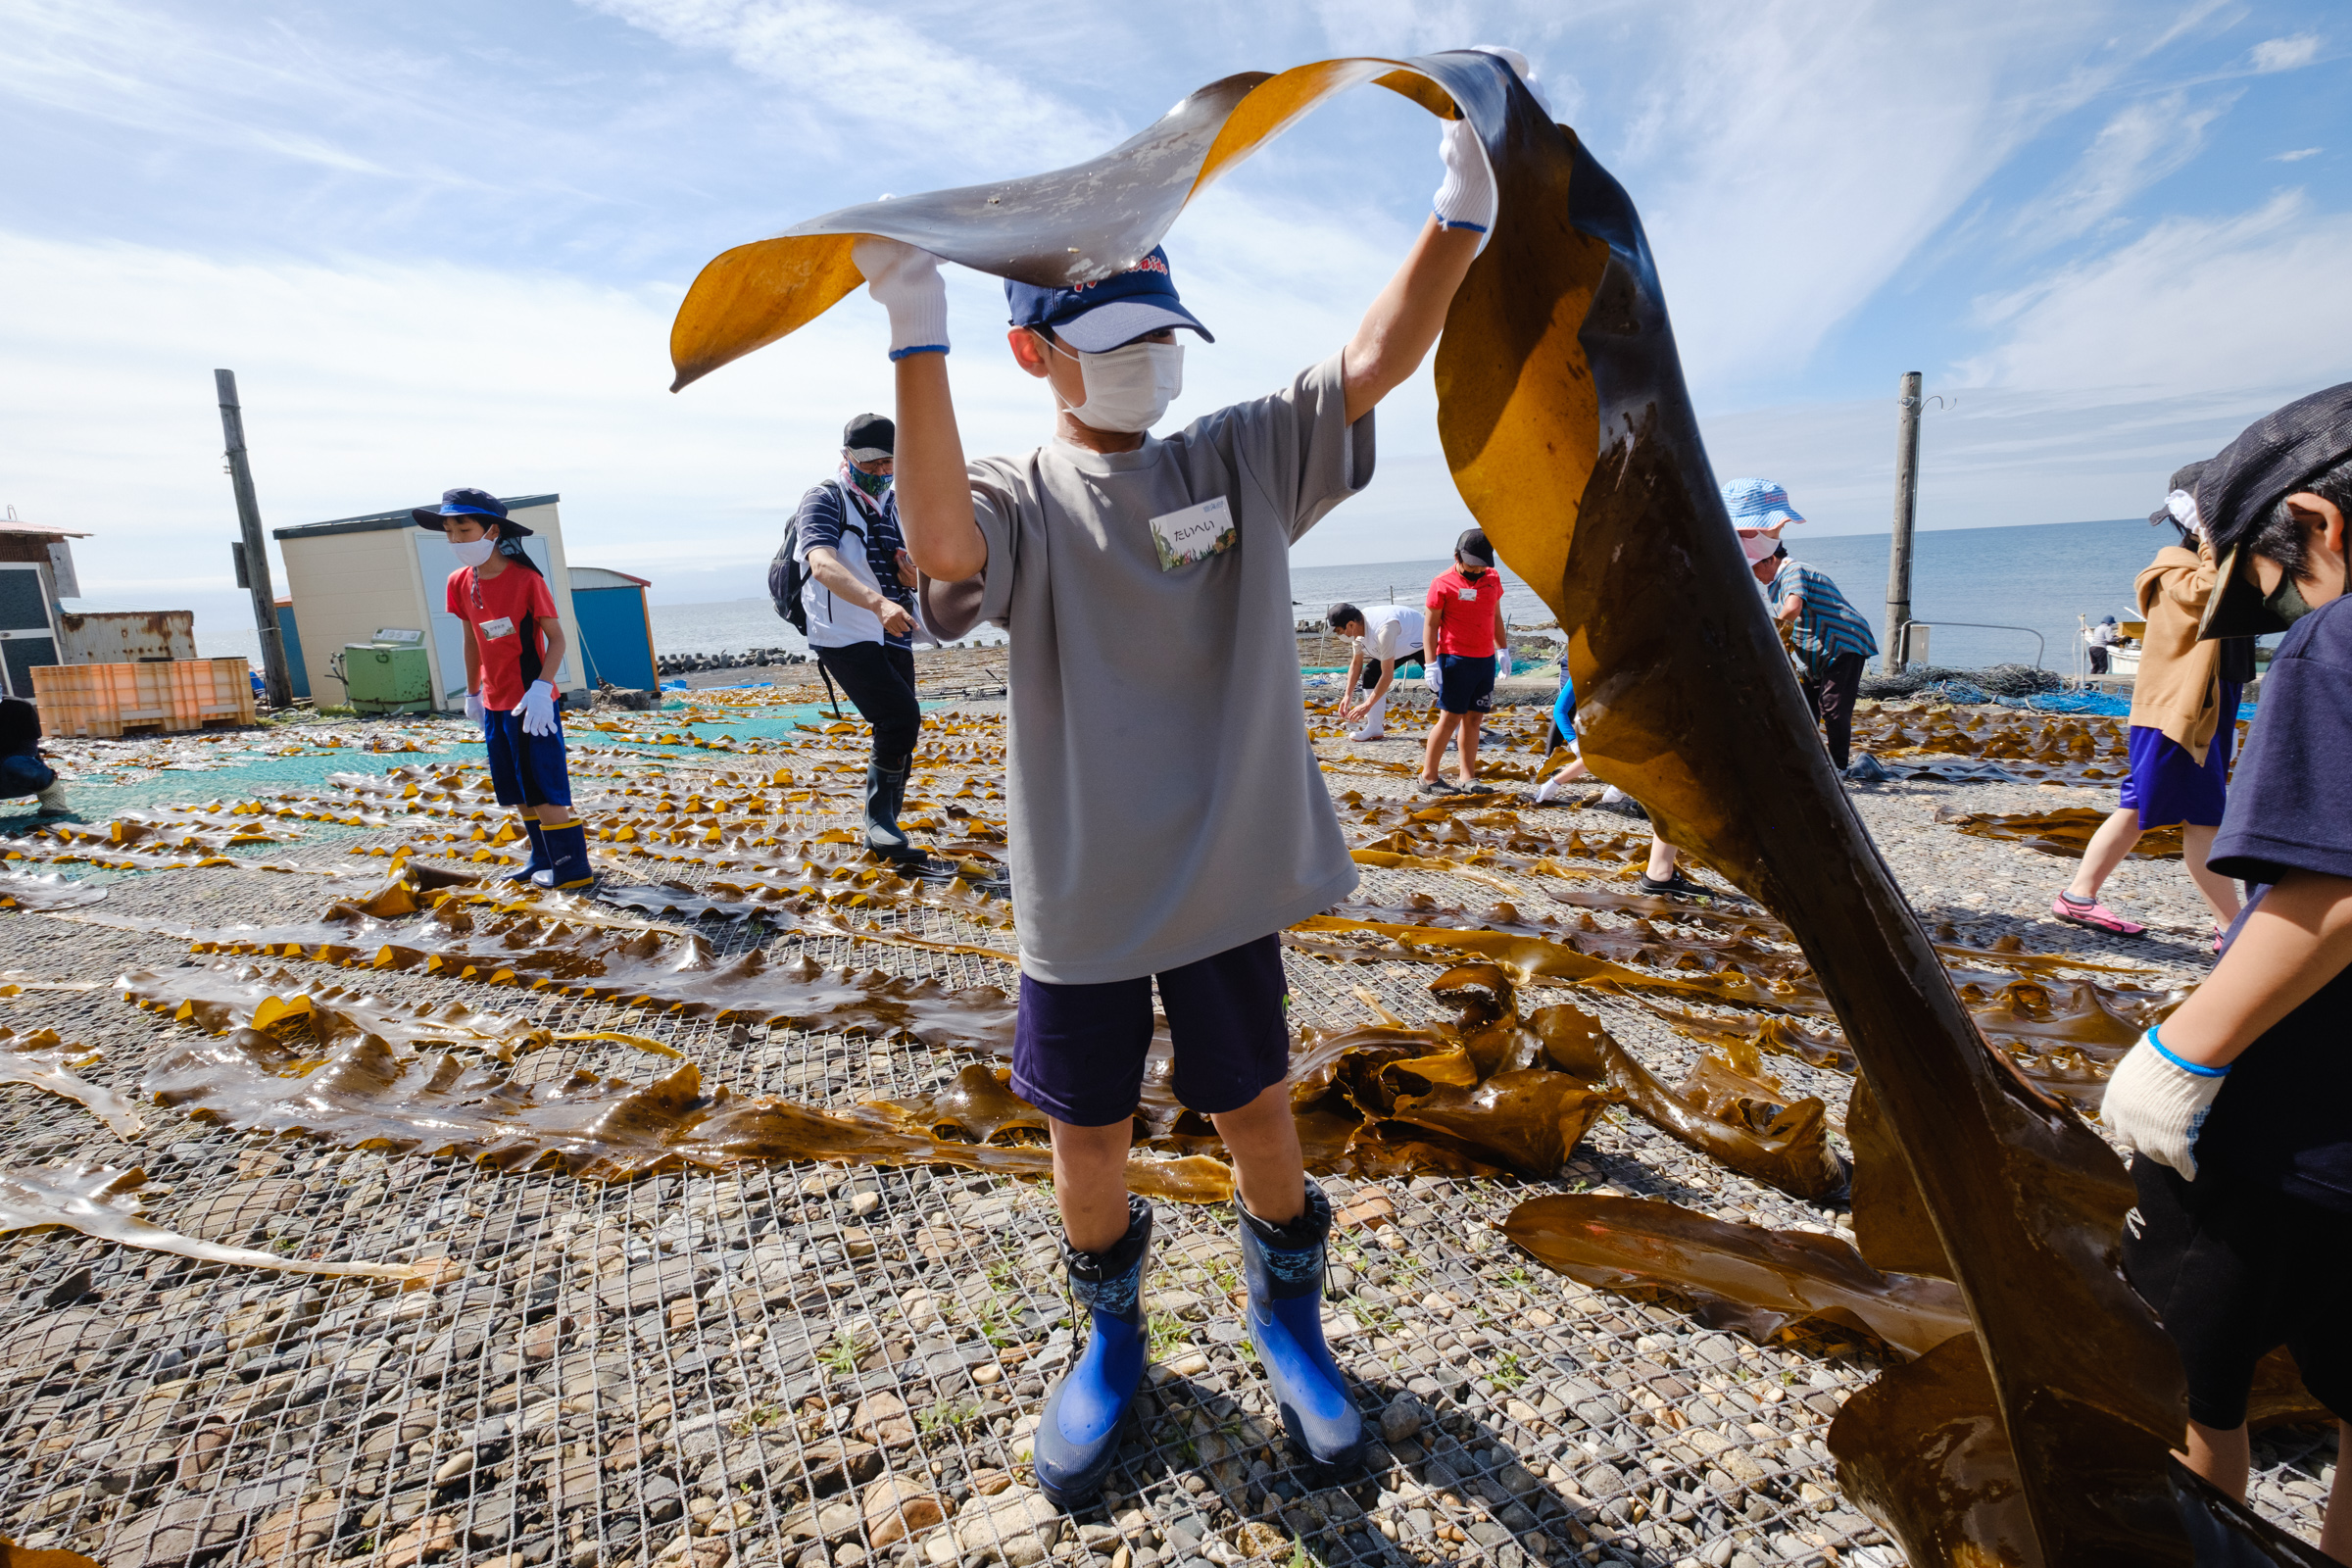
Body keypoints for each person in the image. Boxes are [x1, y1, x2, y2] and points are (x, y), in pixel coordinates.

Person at [858, 47, 1549, 1506]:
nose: (1151, 357)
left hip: (1227, 876)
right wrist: (912, 332)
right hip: (1090, 900)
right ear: (1032, 353)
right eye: (1114, 334)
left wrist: (1461, 213)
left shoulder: (1236, 458)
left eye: (1162, 329)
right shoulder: (1018, 497)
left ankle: (1288, 1326)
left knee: (1258, 1110)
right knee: (1087, 1135)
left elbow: (1372, 358)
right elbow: (940, 554)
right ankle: (1110, 1350)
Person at [2099, 383, 2352, 1561]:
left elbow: (2331, 891)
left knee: (2185, 1372)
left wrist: (2181, 1049)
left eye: (2279, 566)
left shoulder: (2338, 640)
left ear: (2321, 521)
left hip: (2298, 1123)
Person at [2052, 466, 2243, 943]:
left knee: (2140, 802)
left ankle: (2078, 896)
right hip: (2178, 711)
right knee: (2204, 814)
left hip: (2208, 703)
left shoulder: (2228, 561)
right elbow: (2206, 593)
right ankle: (2232, 930)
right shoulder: (2173, 567)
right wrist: (2211, 535)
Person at [413, 488, 592, 890]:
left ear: (492, 531)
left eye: (464, 528)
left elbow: (557, 639)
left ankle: (571, 866)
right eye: (449, 530)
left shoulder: (526, 579)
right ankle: (541, 857)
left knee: (543, 784)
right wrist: (472, 692)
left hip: (531, 702)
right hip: (494, 702)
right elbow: (472, 640)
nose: (456, 539)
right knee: (516, 786)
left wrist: (542, 688)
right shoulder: (458, 582)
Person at [790, 412, 933, 864]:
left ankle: (886, 823)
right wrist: (877, 603)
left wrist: (912, 581)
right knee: (899, 718)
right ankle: (879, 823)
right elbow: (821, 564)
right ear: (846, 457)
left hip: (894, 629)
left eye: (889, 464)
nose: (880, 473)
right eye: (870, 465)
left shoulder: (893, 502)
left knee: (902, 726)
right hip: (844, 631)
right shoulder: (823, 498)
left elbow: (907, 570)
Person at [1419, 528, 1508, 795]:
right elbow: (1430, 624)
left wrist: (1502, 650)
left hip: (1484, 661)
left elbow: (1495, 617)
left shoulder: (1492, 578)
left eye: (1484, 565)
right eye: (1474, 564)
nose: (1479, 570)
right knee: (1450, 718)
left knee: (1474, 719)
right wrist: (1430, 663)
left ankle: (1467, 778)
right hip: (1454, 659)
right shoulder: (1442, 583)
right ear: (1457, 556)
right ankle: (1428, 777)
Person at [1328, 601, 1424, 742]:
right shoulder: (1357, 632)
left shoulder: (1383, 629)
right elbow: (1356, 663)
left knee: (1438, 682)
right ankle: (1374, 728)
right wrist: (1348, 695)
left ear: (1351, 625)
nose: (1339, 635)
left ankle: (1458, 726)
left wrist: (1366, 705)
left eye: (1338, 631)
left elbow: (1387, 675)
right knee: (1370, 674)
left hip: (1421, 639)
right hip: (1398, 645)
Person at [0, 696, 69, 817]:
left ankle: (51, 793)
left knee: (16, 763)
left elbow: (28, 750)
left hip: (17, 776)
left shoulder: (18, 707)